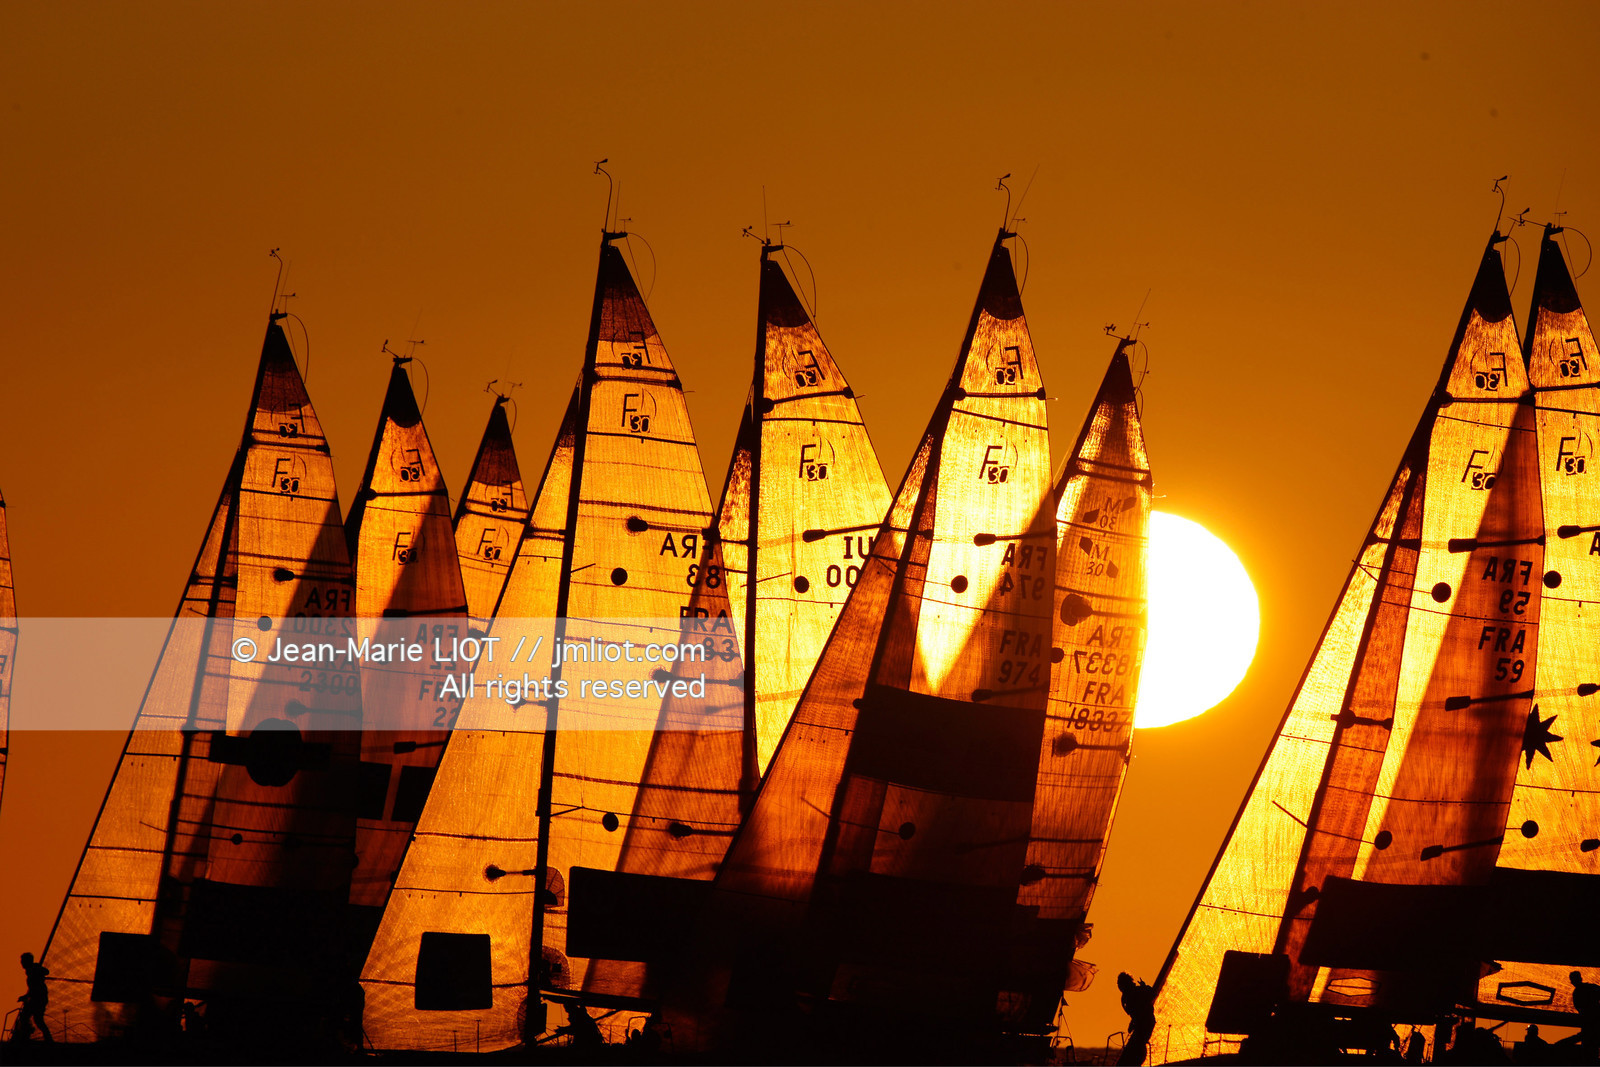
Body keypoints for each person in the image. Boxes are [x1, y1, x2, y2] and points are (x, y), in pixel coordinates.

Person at [1116, 972, 1156, 1066]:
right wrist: (1132, 1023)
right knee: (1135, 1045)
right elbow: (1135, 1013)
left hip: (1146, 1023)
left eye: (1120, 983)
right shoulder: (1126, 996)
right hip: (1139, 1024)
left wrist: (1144, 986)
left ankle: (1136, 1062)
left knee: (1138, 1044)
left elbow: (1151, 995)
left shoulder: (1137, 991)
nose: (1118, 986)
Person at [14, 952, 52, 1042]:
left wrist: (37, 968)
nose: (21, 963)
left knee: (33, 1019)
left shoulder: (33, 970)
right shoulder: (30, 971)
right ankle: (27, 1035)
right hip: (36, 998)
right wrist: (25, 996)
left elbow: (36, 987)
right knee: (30, 1018)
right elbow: (33, 989)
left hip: (39, 999)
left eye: (23, 961)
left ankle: (27, 1036)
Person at [1572, 972, 1600, 1063]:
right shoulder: (1591, 987)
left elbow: (1579, 1008)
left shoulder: (1577, 993)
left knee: (1589, 1047)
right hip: (1593, 1022)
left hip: (1588, 1023)